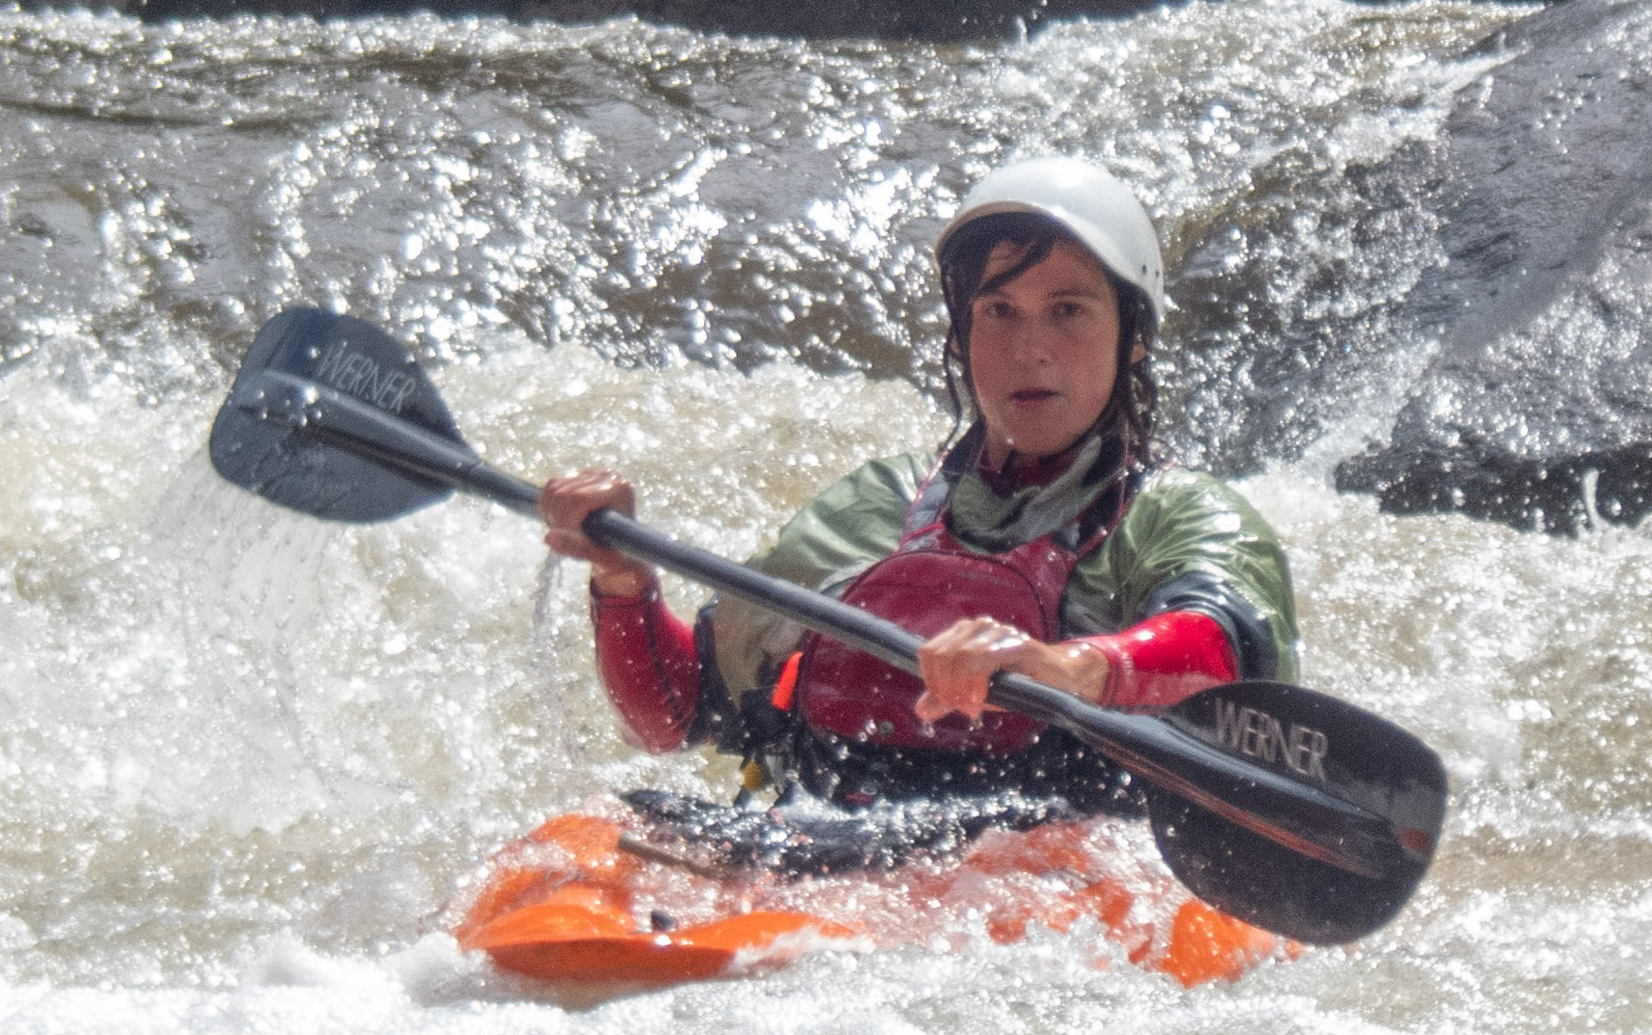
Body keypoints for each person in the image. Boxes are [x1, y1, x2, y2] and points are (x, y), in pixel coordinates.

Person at [538, 156, 1296, 841]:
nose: (1030, 348)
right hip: (824, 846)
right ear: (961, 333)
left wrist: (1067, 668)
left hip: (1051, 864)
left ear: (1134, 336)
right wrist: (621, 580)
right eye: (998, 311)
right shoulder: (875, 506)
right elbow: (677, 715)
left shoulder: (1182, 516)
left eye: (1068, 310)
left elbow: (1228, 657)